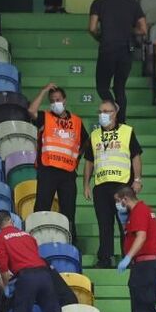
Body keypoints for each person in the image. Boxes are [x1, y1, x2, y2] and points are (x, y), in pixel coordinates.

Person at [0, 210, 69, 312]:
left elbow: (3, 267)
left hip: (26, 278)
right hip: (45, 275)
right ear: (11, 220)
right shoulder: (28, 235)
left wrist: (7, 287)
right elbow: (34, 255)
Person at [82, 99, 143, 268]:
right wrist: (86, 184)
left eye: (107, 111)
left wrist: (137, 180)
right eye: (100, 111)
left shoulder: (127, 131)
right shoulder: (94, 135)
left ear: (115, 113)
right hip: (101, 186)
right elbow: (89, 161)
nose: (103, 114)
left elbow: (136, 156)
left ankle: (128, 257)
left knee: (125, 224)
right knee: (104, 224)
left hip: (123, 186)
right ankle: (104, 258)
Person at [28, 83, 87, 245]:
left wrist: (76, 158)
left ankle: (70, 244)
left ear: (65, 100)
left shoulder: (76, 121)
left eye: (58, 99)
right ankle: (36, 242)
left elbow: (86, 142)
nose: (55, 103)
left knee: (69, 211)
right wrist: (43, 91)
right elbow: (31, 111)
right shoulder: (45, 117)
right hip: (47, 170)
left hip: (68, 173)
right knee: (41, 207)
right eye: (52, 100)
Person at [88, 0, 147, 123]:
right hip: (127, 49)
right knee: (120, 88)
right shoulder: (132, 4)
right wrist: (129, 29)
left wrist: (100, 37)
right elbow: (143, 29)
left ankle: (113, 109)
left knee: (102, 87)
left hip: (107, 48)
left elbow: (92, 28)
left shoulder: (98, 3)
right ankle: (122, 122)